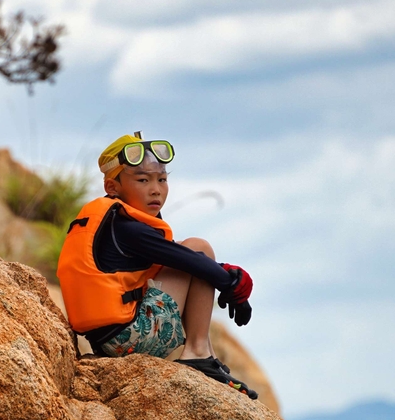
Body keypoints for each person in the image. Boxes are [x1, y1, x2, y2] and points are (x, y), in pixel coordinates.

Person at [57, 132, 257, 399]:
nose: (156, 189)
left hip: (107, 341)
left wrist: (223, 274)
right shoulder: (129, 229)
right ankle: (198, 354)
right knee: (199, 246)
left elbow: (178, 258)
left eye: (162, 179)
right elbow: (192, 259)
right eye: (143, 180)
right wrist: (233, 285)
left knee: (197, 254)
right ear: (112, 187)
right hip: (129, 339)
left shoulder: (115, 224)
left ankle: (203, 354)